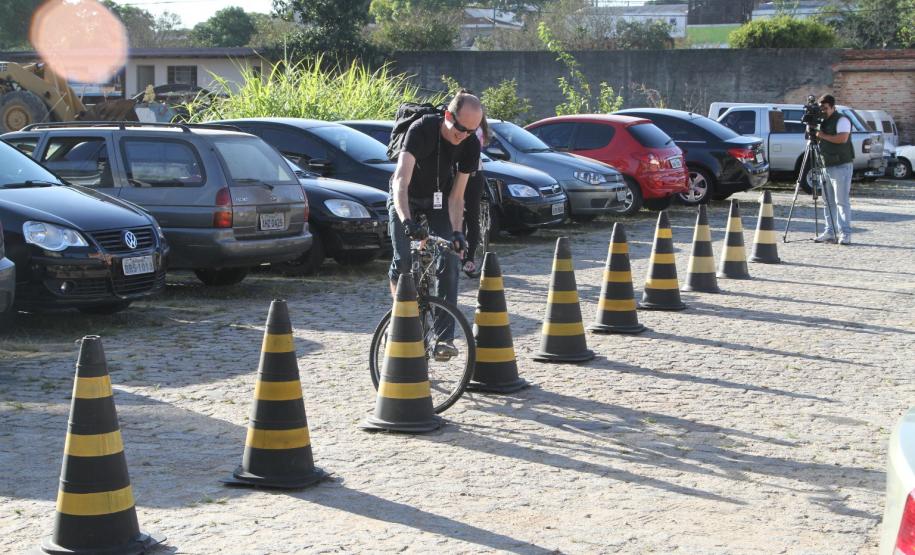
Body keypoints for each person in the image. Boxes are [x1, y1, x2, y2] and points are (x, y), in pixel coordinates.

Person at [388, 90, 483, 359]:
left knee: (451, 257)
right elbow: (400, 182)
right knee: (404, 260)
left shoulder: (470, 144)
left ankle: (443, 339)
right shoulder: (421, 129)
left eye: (471, 131)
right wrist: (407, 220)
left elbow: (457, 196)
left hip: (438, 202)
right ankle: (402, 321)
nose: (462, 136)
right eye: (460, 128)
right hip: (405, 198)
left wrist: (457, 232)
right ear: (448, 116)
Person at [814, 94, 854, 245]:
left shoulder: (842, 120)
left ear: (832, 107)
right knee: (827, 201)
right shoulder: (822, 121)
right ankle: (829, 232)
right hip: (825, 165)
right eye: (821, 108)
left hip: (841, 165)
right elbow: (813, 138)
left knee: (841, 202)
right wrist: (811, 128)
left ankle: (845, 234)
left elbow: (842, 139)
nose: (823, 111)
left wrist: (822, 135)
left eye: (825, 108)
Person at [462, 117, 490, 275]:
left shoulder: (477, 129)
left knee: (471, 215)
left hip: (473, 174)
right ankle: (459, 255)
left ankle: (469, 258)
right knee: (457, 215)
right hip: (456, 173)